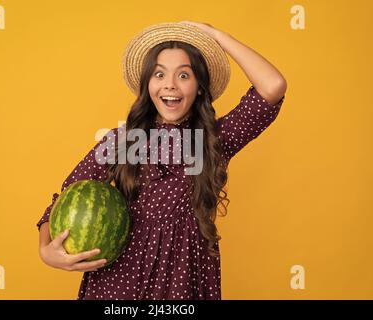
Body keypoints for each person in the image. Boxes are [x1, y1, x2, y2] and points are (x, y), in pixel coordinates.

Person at [37, 21, 287, 300]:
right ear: (148, 85)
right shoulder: (121, 141)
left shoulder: (214, 140)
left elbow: (273, 86)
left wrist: (217, 36)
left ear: (200, 87)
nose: (170, 84)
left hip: (182, 281)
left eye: (184, 75)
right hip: (119, 283)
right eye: (159, 74)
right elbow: (66, 197)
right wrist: (46, 251)